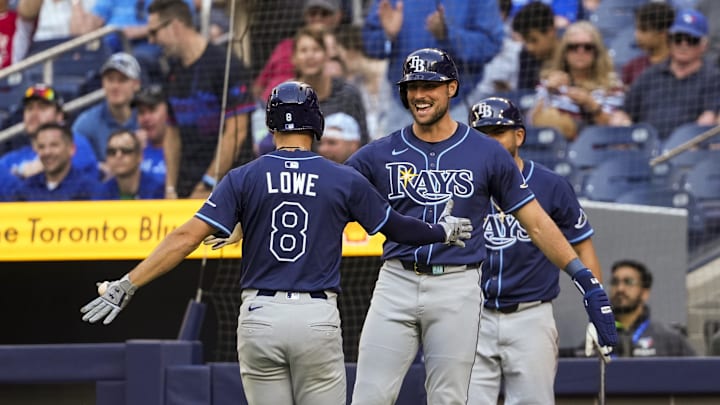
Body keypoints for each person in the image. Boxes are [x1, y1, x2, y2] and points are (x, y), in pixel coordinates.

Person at [80, 80, 473, 405]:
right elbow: (399, 228)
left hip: (259, 314)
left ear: (271, 126)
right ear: (315, 124)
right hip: (316, 316)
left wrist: (128, 283)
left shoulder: (243, 177)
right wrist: (443, 231)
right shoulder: (342, 178)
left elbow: (185, 237)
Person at [345, 48, 616, 405]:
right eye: (412, 86)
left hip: (457, 284)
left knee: (450, 399)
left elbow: (535, 222)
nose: (419, 94)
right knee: (369, 395)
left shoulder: (485, 153)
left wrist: (585, 279)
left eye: (430, 84)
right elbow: (328, 196)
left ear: (451, 88)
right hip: (396, 278)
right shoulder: (379, 152)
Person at [466, 97, 602, 405]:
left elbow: (582, 244)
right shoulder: (461, 184)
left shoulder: (551, 185)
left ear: (519, 136)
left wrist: (594, 308)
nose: (489, 142)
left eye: (498, 133)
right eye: (481, 134)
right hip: (471, 314)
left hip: (530, 316)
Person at [147, 0, 256, 198]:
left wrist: (208, 182)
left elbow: (236, 132)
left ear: (174, 25)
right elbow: (172, 133)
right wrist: (170, 187)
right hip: (189, 188)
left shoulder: (225, 65)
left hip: (233, 188)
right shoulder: (172, 71)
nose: (151, 41)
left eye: (154, 32)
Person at [362, 0, 504, 127]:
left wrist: (449, 34)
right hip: (403, 107)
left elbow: (491, 45)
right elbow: (370, 45)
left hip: (457, 106)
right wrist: (387, 36)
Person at [611, 9, 720, 140]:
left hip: (691, 153)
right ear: (670, 40)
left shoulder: (713, 77)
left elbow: (708, 121)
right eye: (678, 38)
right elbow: (623, 112)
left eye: (691, 40)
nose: (683, 45)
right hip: (647, 151)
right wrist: (624, 126)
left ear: (704, 45)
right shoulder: (650, 75)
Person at [529, 21, 624, 141]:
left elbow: (615, 127)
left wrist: (590, 103)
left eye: (587, 47)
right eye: (573, 47)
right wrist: (547, 91)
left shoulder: (612, 85)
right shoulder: (550, 81)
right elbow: (532, 122)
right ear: (564, 52)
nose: (580, 52)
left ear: (596, 52)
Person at [0, 83, 98, 182]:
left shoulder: (75, 144)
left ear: (59, 116)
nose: (34, 114)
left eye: (42, 108)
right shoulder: (12, 159)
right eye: (29, 108)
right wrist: (21, 172)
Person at [252, 0, 344, 103]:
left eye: (324, 14)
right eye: (313, 13)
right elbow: (259, 85)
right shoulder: (284, 46)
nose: (318, 18)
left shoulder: (344, 49)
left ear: (337, 16)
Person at [72, 52, 141, 176]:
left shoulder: (147, 119)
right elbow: (73, 161)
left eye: (122, 80)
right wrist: (98, 167)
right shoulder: (87, 122)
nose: (115, 86)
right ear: (103, 83)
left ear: (136, 84)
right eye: (110, 80)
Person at [609, 259, 696, 357]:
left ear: (645, 293)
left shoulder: (670, 340)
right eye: (615, 282)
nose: (620, 288)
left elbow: (696, 371)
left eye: (628, 282)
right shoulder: (595, 340)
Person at [13, 122, 99, 201]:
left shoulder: (89, 189)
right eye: (41, 147)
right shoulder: (25, 190)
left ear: (71, 149)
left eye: (54, 145)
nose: (47, 152)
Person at [92, 129, 164, 200]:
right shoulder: (100, 194)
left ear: (140, 156)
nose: (118, 156)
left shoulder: (158, 191)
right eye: (112, 151)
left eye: (126, 150)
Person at [621, 2, 675, 87]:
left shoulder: (679, 65)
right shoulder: (632, 67)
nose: (637, 35)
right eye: (636, 29)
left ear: (663, 34)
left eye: (644, 30)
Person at [511, 1, 558, 91]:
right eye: (526, 41)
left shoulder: (572, 51)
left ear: (550, 31)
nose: (529, 47)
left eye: (533, 40)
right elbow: (524, 95)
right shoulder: (526, 55)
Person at [132, 84, 171, 187]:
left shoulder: (180, 151)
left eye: (152, 110)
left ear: (168, 111)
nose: (146, 118)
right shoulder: (131, 148)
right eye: (141, 112)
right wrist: (133, 151)